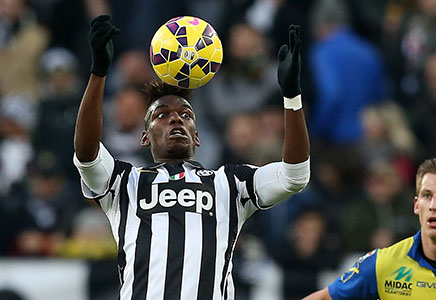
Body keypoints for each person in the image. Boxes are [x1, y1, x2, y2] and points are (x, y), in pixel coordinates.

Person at [73, 15, 310, 300]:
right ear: (145, 136)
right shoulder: (125, 183)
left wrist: (292, 98)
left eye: (186, 115)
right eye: (162, 115)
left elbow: (295, 176)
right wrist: (98, 73)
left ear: (197, 137)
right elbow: (87, 153)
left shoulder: (230, 183)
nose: (176, 119)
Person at [304, 158, 436, 300]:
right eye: (427, 196)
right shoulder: (383, 264)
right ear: (417, 205)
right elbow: (324, 298)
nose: (434, 205)